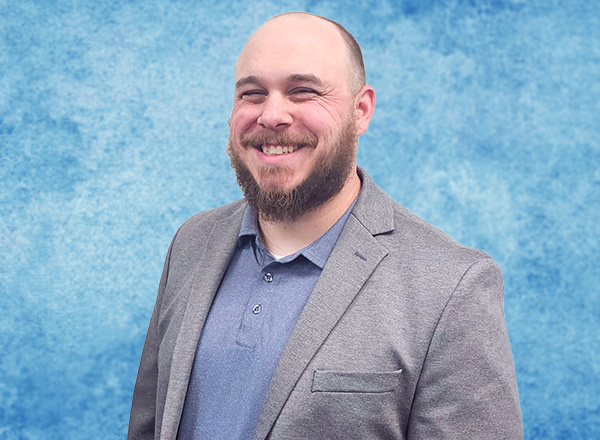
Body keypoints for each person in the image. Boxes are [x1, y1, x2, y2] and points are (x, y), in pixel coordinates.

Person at [128, 12, 522, 440]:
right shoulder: (193, 241)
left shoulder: (452, 287)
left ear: (361, 111)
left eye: (303, 91)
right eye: (252, 94)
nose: (272, 115)